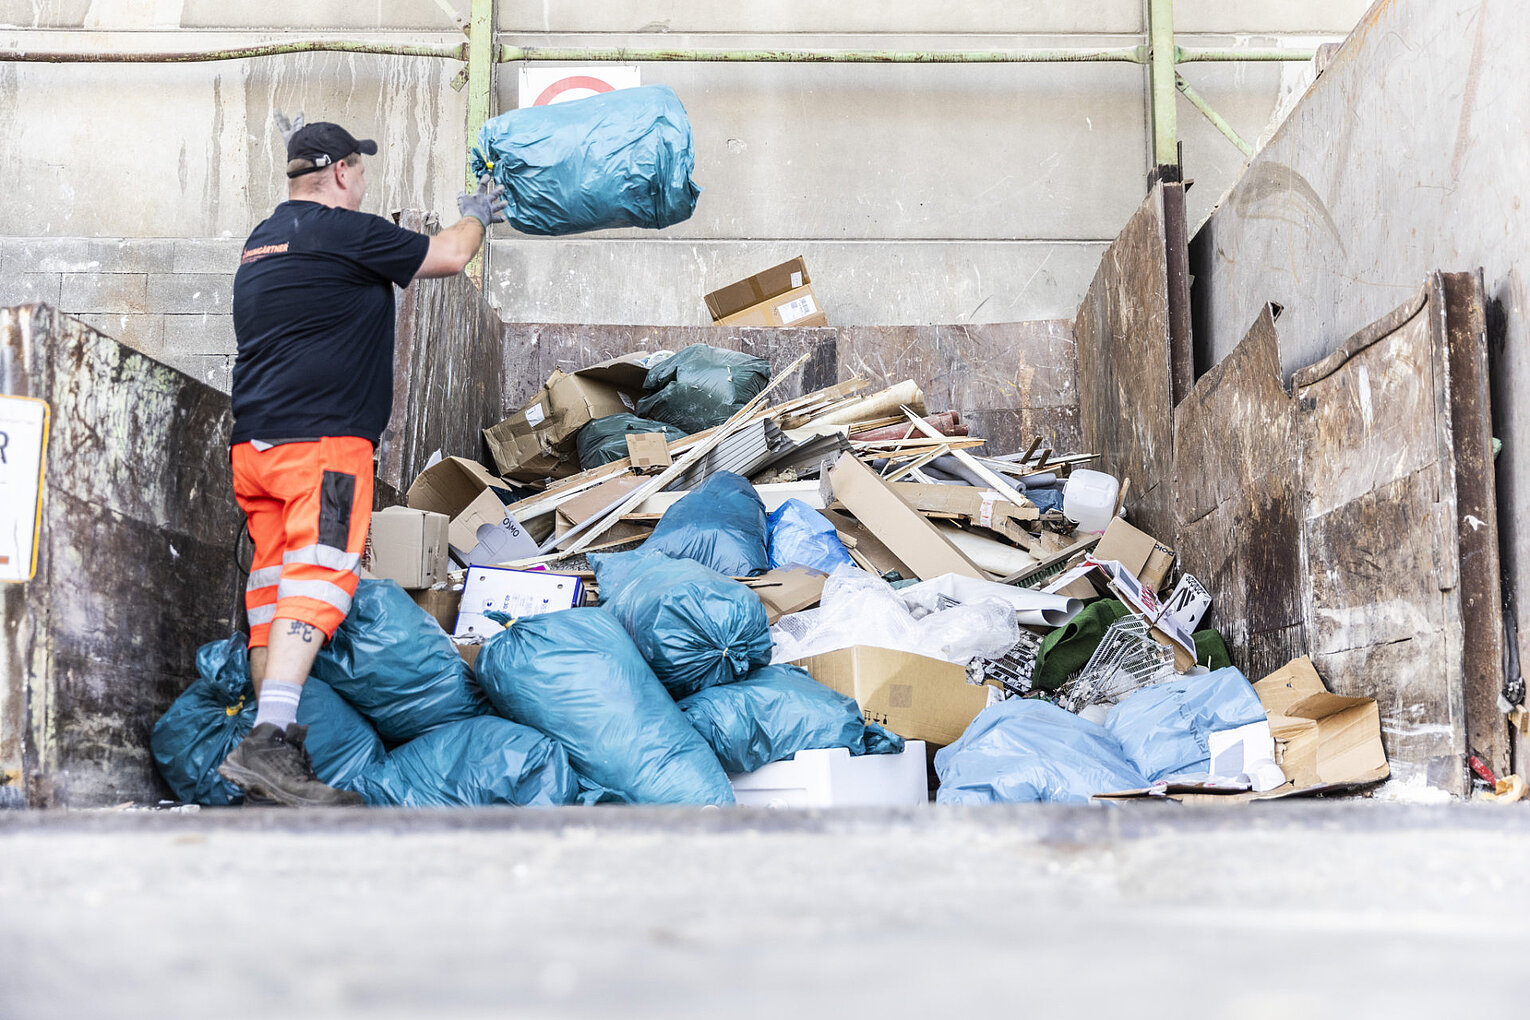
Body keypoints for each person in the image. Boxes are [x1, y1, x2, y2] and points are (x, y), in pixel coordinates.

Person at [217, 113, 507, 806]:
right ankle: (270, 742)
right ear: (343, 171)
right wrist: (477, 217)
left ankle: (272, 747)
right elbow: (448, 256)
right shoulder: (344, 231)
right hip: (322, 447)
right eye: (362, 170)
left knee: (271, 590)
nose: (363, 182)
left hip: (254, 450)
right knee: (320, 579)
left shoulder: (262, 242)